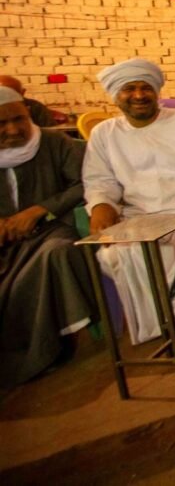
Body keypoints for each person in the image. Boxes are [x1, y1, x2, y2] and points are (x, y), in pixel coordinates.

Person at [83, 58, 175, 345]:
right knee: (115, 255)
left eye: (145, 88)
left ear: (156, 91)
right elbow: (99, 181)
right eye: (129, 89)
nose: (139, 95)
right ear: (116, 95)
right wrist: (100, 206)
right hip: (142, 217)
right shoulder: (104, 134)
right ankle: (164, 327)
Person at [0, 87, 94, 386]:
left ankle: (50, 346)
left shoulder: (55, 143)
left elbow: (86, 181)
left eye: (19, 119)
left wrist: (40, 210)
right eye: (1, 124)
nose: (13, 129)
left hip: (49, 230)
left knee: (59, 253)